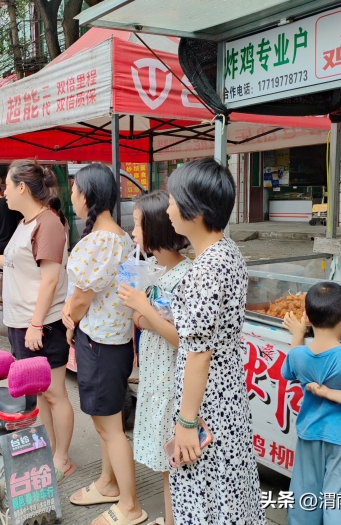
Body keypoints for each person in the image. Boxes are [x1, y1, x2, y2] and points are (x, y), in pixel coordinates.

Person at [164, 157, 265, 524]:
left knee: (206, 496)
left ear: (195, 210)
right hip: (227, 398)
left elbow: (198, 354)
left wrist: (187, 423)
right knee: (230, 493)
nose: (169, 208)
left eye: (174, 199)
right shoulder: (227, 252)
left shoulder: (205, 268)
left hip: (208, 403)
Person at [0, 160, 75, 482]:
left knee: (55, 392)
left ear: (22, 188)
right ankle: (50, 446)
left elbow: (50, 279)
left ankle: (62, 458)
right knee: (40, 392)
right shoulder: (26, 222)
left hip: (41, 325)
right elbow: (17, 261)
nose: (3, 193)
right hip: (23, 322)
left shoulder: (49, 223)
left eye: (7, 187)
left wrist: (36, 324)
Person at [62, 163, 147, 525]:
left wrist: (69, 319)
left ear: (89, 195)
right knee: (105, 423)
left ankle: (130, 506)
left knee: (110, 428)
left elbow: (80, 300)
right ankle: (108, 483)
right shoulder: (122, 238)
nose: (72, 196)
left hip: (99, 344)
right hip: (113, 343)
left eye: (75, 190)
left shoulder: (99, 241)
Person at [117, 190, 191, 525]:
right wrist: (140, 310)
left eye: (137, 225)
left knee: (175, 465)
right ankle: (171, 518)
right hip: (157, 379)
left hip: (172, 387)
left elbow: (182, 338)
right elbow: (143, 321)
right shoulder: (154, 270)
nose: (133, 233)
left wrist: (144, 308)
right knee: (167, 465)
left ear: (158, 228)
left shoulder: (185, 277)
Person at [282, 283, 341, 525]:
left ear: (306, 318)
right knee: (339, 497)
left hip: (310, 433)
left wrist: (297, 335)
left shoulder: (299, 354)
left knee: (305, 494)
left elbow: (290, 368)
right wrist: (329, 393)